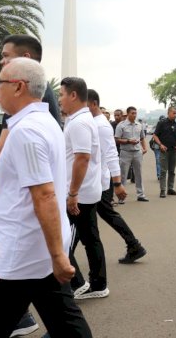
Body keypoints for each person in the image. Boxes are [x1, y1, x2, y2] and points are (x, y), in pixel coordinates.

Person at [0, 58, 92, 337]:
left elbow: (45, 195)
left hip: (21, 253)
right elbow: (10, 171)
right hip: (40, 250)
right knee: (67, 328)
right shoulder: (43, 122)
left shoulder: (27, 131)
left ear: (19, 86)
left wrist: (59, 256)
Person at [59, 77, 108, 300]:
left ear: (73, 95)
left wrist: (72, 193)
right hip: (84, 190)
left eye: (61, 94)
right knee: (89, 238)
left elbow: (82, 159)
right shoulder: (80, 120)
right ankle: (96, 284)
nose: (59, 99)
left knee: (62, 237)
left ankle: (78, 282)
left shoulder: (79, 123)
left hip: (80, 193)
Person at [87, 90, 148, 264]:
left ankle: (134, 245)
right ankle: (133, 245)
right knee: (101, 216)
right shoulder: (94, 123)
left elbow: (111, 154)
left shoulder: (101, 125)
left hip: (100, 180)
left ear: (92, 103)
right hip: (96, 180)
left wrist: (118, 183)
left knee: (90, 219)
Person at [115, 106, 149, 203]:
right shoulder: (121, 125)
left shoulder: (139, 125)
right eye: (132, 113)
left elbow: (142, 138)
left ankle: (141, 195)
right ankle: (121, 197)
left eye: (135, 113)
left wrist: (145, 148)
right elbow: (116, 139)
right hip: (125, 152)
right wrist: (128, 141)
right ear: (128, 113)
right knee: (123, 175)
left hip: (137, 152)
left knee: (139, 174)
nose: (134, 115)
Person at [152, 106, 176, 198]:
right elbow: (155, 135)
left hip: (174, 151)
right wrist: (160, 145)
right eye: (174, 113)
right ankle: (162, 190)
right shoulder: (162, 123)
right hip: (164, 151)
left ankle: (170, 189)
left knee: (172, 171)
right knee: (163, 171)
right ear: (168, 113)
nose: (175, 115)